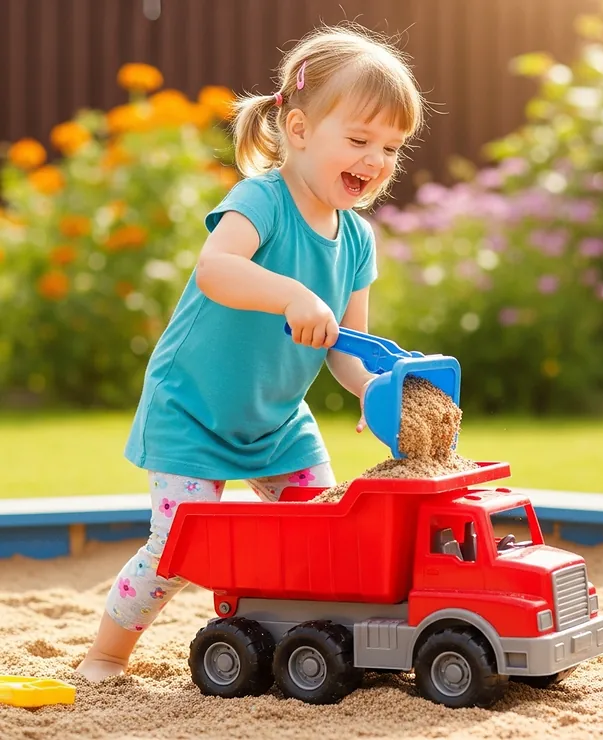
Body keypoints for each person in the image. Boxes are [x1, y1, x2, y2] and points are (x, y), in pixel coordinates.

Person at [76, 25, 425, 682]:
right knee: (176, 550)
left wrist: (376, 389)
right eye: (358, 140)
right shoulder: (261, 199)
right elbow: (216, 270)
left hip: (276, 423)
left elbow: (345, 351)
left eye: (391, 147)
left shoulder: (357, 240)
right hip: (193, 411)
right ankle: (105, 655)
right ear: (297, 130)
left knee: (324, 536)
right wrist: (291, 295)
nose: (376, 160)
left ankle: (313, 646)